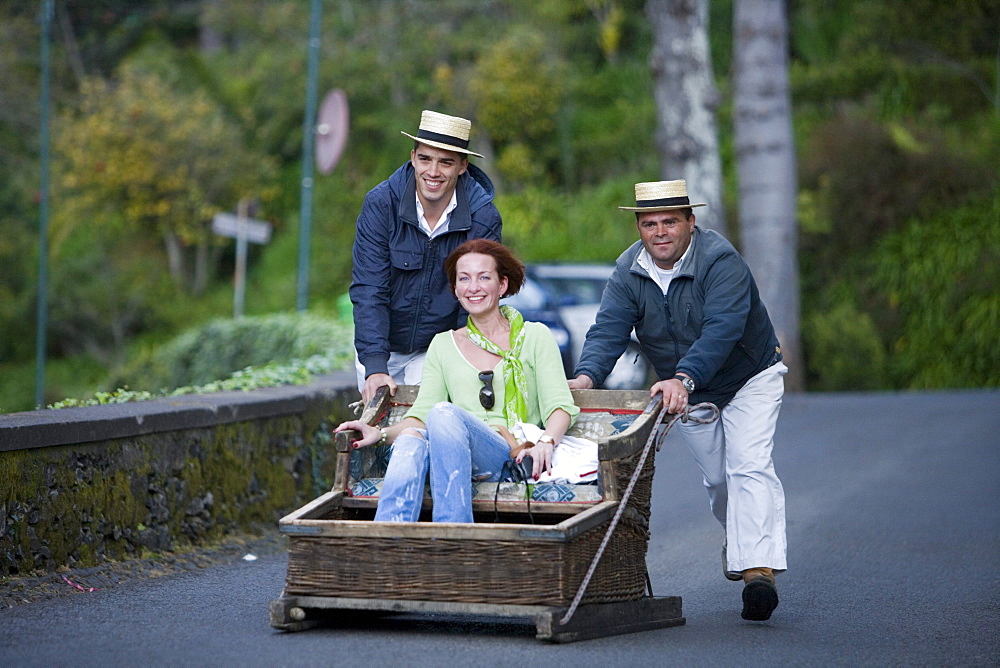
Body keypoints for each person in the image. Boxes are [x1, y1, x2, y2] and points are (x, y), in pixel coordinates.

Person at [568, 180, 788, 622]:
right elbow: (609, 328)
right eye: (650, 223)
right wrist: (585, 378)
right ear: (639, 228)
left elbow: (722, 329)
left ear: (691, 222)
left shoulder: (721, 261)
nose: (661, 231)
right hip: (685, 388)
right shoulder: (628, 270)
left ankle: (757, 572)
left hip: (749, 375)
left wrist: (683, 377)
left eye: (671, 221)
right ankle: (743, 539)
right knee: (718, 481)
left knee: (749, 465)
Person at [335, 239, 579, 523]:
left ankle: (452, 535)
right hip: (449, 449)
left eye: (483, 277)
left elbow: (559, 405)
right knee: (410, 443)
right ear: (455, 289)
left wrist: (546, 441)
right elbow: (422, 416)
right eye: (464, 279)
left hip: (507, 453)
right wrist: (381, 434)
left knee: (443, 413)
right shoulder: (443, 344)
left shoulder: (535, 336)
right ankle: (388, 546)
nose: (473, 287)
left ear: (501, 285)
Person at [350, 110, 502, 404]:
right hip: (383, 346)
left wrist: (462, 360)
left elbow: (478, 297)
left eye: (445, 162)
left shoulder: (483, 217)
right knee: (378, 433)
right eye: (425, 159)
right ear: (412, 157)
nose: (433, 171)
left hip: (440, 346)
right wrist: (376, 366)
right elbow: (370, 289)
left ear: (462, 166)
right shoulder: (381, 205)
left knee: (429, 425)